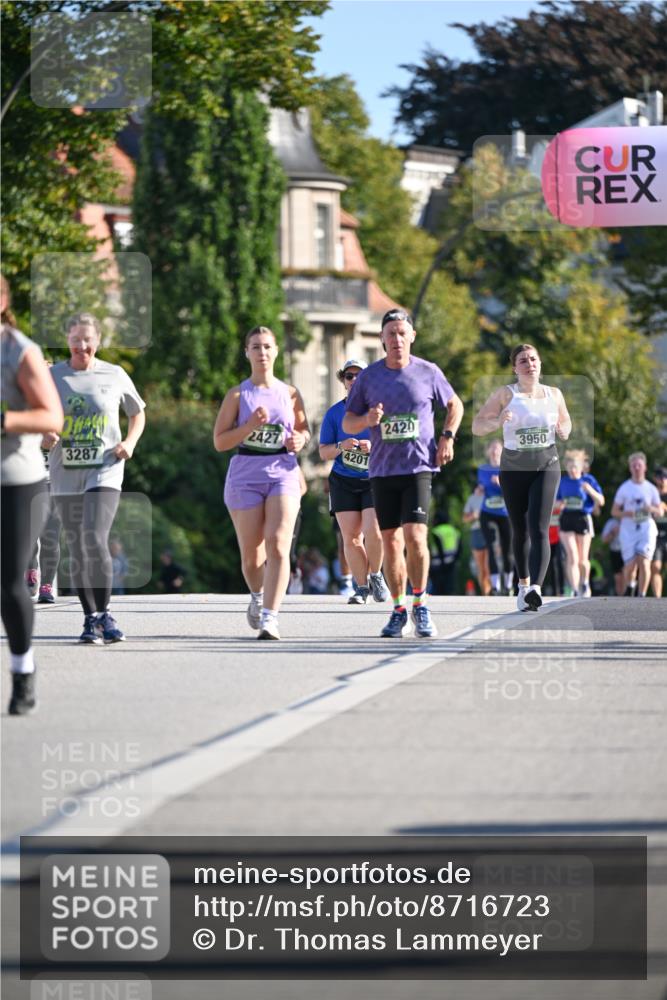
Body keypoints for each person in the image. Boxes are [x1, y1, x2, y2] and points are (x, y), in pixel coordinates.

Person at [343, 308, 464, 637]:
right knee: (392, 543)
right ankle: (398, 609)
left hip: (418, 466)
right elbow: (348, 422)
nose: (396, 339)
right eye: (390, 333)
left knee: (416, 537)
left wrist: (447, 437)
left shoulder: (428, 372)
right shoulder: (368, 377)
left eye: (402, 332)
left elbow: (455, 405)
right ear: (382, 339)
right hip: (382, 470)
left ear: (412, 336)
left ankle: (420, 604)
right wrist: (367, 421)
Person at [46, 312, 146, 643]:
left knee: (94, 536)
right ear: (67, 342)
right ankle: (90, 619)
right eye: (75, 339)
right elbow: (34, 415)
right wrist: (44, 436)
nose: (82, 345)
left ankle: (105, 614)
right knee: (76, 544)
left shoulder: (114, 374)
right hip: (64, 472)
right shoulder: (51, 376)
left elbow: (137, 412)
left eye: (88, 339)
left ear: (98, 341)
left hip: (105, 467)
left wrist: (129, 443)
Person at [213, 325, 309, 640]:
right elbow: (220, 441)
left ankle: (271, 617)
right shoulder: (238, 395)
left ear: (276, 351)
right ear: (247, 353)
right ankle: (257, 595)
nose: (262, 352)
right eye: (256, 347)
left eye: (267, 346)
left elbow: (303, 430)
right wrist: (250, 425)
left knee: (279, 544)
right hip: (246, 473)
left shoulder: (290, 393)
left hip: (283, 471)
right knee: (252, 557)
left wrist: (299, 439)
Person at [1, 274, 64, 714]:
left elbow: (50, 414)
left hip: (16, 479)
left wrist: (5, 420)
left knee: (9, 584)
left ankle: (22, 669)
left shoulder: (19, 350)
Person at [472, 343, 571, 612]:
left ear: (540, 363)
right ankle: (524, 584)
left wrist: (563, 430)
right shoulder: (505, 394)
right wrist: (498, 420)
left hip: (546, 464)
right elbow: (477, 425)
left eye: (533, 359)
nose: (530, 364)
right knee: (520, 529)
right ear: (515, 368)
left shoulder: (554, 394)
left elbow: (566, 422)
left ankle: (536, 588)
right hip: (514, 468)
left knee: (539, 527)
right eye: (523, 361)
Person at [319, 358, 389, 605]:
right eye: (349, 376)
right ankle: (361, 588)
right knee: (351, 538)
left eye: (360, 375)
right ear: (343, 381)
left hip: (374, 479)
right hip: (343, 480)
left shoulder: (379, 412)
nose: (355, 380)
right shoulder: (334, 414)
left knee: (373, 531)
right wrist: (340, 446)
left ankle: (376, 574)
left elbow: (395, 445)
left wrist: (375, 446)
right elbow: (323, 452)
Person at [611, 452, 662, 597]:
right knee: (629, 567)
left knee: (644, 562)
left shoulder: (651, 489)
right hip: (628, 530)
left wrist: (650, 509)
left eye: (639, 465)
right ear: (630, 468)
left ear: (645, 467)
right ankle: (631, 586)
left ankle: (642, 595)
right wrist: (627, 513)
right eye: (634, 465)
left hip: (646, 528)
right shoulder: (624, 488)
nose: (637, 468)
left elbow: (660, 511)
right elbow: (614, 511)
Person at [556, 450, 604, 597]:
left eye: (575, 466)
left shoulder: (588, 480)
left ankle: (585, 583)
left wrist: (590, 491)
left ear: (581, 467)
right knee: (572, 556)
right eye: (569, 466)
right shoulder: (563, 482)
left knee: (583, 559)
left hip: (583, 518)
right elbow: (554, 503)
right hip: (567, 518)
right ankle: (575, 589)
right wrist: (559, 504)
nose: (572, 470)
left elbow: (601, 501)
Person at [477, 439, 513, 594]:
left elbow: (513, 492)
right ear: (488, 452)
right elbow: (482, 485)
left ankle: (509, 585)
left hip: (506, 514)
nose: (494, 451)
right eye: (491, 448)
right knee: (491, 547)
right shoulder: (483, 469)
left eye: (497, 448)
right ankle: (495, 586)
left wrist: (501, 483)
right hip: (488, 513)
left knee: (508, 549)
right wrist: (479, 489)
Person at [462, 486, 491, 595]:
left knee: (488, 567)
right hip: (476, 532)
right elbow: (464, 518)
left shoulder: (491, 495)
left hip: (489, 530)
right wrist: (473, 516)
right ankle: (486, 594)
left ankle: (492, 591)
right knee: (481, 568)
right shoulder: (472, 498)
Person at [650, 466, 667, 598]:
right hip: (655, 535)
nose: (663, 480)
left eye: (665, 477)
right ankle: (657, 598)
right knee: (655, 567)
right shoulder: (651, 494)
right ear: (655, 479)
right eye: (660, 477)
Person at [601, 517, 625, 596]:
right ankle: (621, 598)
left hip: (628, 551)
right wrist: (613, 532)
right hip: (615, 551)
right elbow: (604, 540)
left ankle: (629, 596)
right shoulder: (611, 522)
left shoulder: (632, 521)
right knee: (618, 578)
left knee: (627, 575)